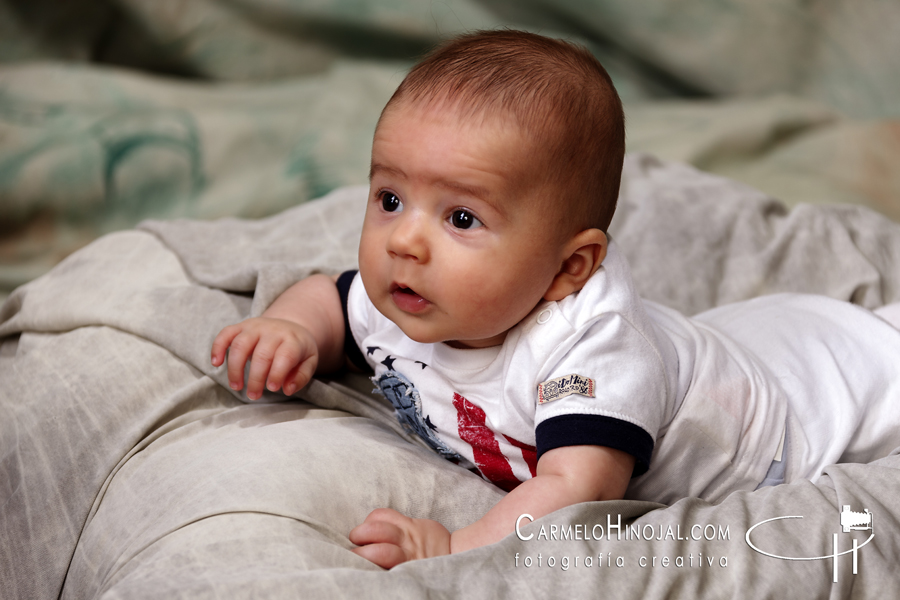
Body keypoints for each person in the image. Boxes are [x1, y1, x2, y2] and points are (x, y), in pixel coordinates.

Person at [210, 30, 900, 568]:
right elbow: (331, 299)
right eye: (391, 199)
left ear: (570, 267)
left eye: (461, 219)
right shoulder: (412, 293)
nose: (405, 242)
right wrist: (291, 330)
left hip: (797, 417)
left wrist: (453, 549)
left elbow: (579, 489)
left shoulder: (587, 350)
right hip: (723, 346)